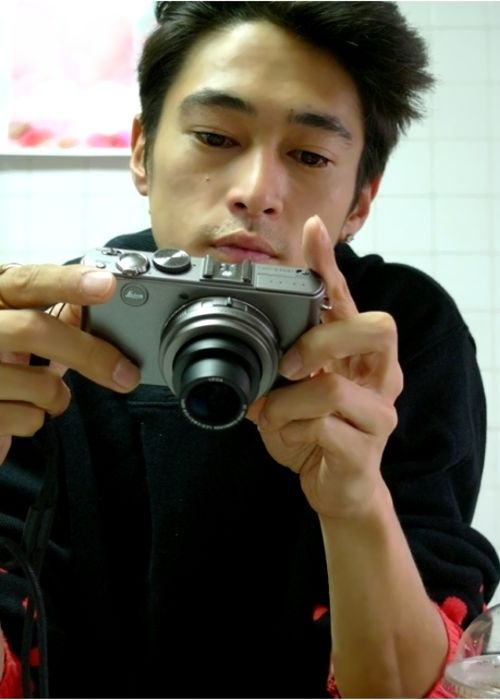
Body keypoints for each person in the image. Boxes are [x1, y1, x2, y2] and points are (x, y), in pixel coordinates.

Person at [0, 2, 498, 697]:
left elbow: (402, 683)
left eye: (310, 155)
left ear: (361, 200)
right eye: (213, 136)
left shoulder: (395, 335)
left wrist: (357, 502)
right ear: (142, 150)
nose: (256, 192)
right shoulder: (56, 332)